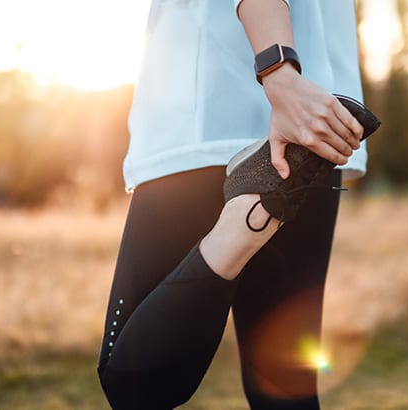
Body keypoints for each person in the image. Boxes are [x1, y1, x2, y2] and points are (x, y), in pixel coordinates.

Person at [97, 0, 378, 408]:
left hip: (203, 118)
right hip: (315, 132)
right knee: (283, 391)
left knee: (131, 383)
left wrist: (279, 74)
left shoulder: (276, 82)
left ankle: (241, 226)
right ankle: (263, 206)